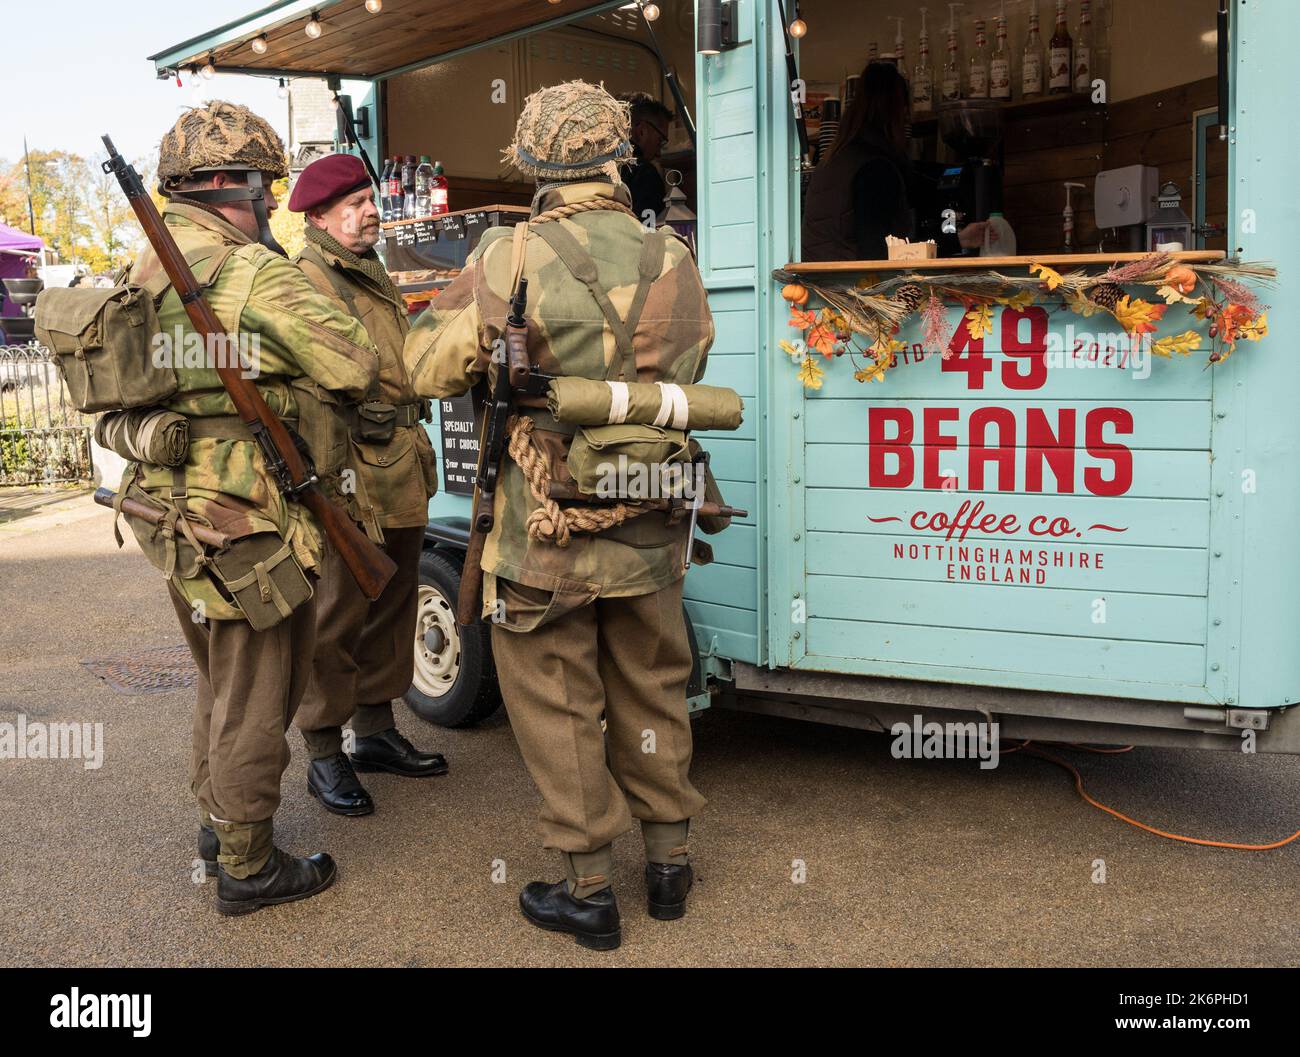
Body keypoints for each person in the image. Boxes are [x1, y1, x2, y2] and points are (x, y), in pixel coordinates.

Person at [404, 81, 721, 951]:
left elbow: (425, 367)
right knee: (654, 684)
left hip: (546, 522)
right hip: (651, 513)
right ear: (620, 158)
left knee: (558, 700)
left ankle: (588, 888)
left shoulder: (509, 252)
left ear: (536, 165)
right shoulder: (673, 254)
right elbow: (695, 354)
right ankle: (668, 862)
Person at [126, 102, 379, 914]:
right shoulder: (250, 270)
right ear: (245, 188)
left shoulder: (144, 269)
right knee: (259, 690)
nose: (271, 200)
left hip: (172, 506)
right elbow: (353, 366)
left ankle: (216, 821)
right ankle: (248, 863)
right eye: (266, 185)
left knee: (219, 677)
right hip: (248, 514)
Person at [287, 152, 446, 816]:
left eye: (370, 198)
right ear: (319, 216)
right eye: (352, 204)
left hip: (398, 460)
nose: (369, 210)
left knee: (392, 599)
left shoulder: (368, 267)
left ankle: (375, 731)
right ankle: (325, 752)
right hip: (350, 462)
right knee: (338, 609)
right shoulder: (309, 277)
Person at [802, 60, 989, 261]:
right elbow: (881, 252)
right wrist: (957, 241)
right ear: (897, 112)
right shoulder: (874, 168)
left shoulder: (833, 160)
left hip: (822, 281)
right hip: (852, 285)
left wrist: (960, 239)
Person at [618, 92, 673, 223]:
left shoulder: (593, 168)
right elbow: (649, 234)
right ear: (642, 131)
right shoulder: (644, 175)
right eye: (659, 141)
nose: (658, 153)